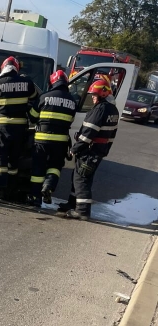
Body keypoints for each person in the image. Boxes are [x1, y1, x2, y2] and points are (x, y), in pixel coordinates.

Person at [58, 75, 120, 220]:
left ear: (103, 94)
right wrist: (104, 150)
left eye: (94, 95)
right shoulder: (113, 110)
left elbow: (88, 133)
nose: (92, 98)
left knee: (81, 180)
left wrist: (75, 149)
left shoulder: (101, 109)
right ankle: (72, 204)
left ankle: (82, 211)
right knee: (79, 177)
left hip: (90, 151)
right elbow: (112, 135)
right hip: (98, 150)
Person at [0, 56, 39, 200]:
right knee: (14, 160)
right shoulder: (27, 83)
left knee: (1, 159)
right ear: (17, 68)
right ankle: (11, 189)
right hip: (20, 128)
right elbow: (35, 96)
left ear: (3, 68)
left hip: (3, 127)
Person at [28, 69, 77, 207]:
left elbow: (32, 116)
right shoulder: (72, 101)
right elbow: (71, 120)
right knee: (55, 166)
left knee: (38, 168)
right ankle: (48, 185)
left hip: (41, 140)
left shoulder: (45, 97)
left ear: (53, 82)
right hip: (60, 142)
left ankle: (35, 198)